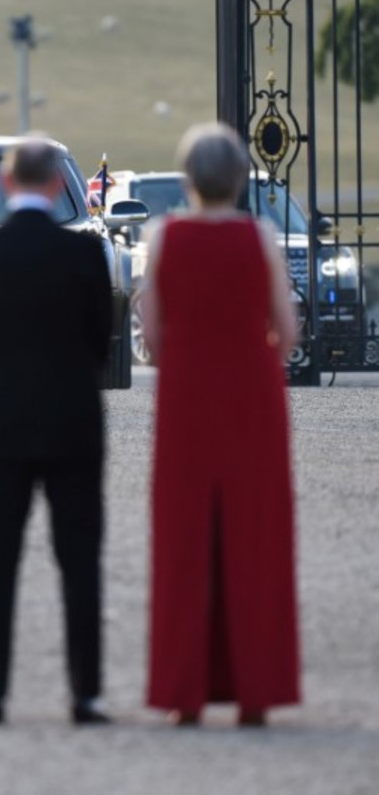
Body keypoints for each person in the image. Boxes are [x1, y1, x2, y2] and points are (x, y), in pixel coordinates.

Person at [141, 123, 300, 728]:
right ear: (238, 179)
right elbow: (286, 330)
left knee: (183, 538)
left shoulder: (164, 236)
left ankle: (183, 692)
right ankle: (256, 690)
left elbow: (152, 335)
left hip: (187, 394)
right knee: (256, 535)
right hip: (251, 395)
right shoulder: (260, 237)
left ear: (189, 179)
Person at [0, 139, 113, 726]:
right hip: (73, 419)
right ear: (54, 185)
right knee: (80, 559)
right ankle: (86, 694)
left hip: (2, 420)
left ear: (6, 182)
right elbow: (100, 343)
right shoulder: (85, 253)